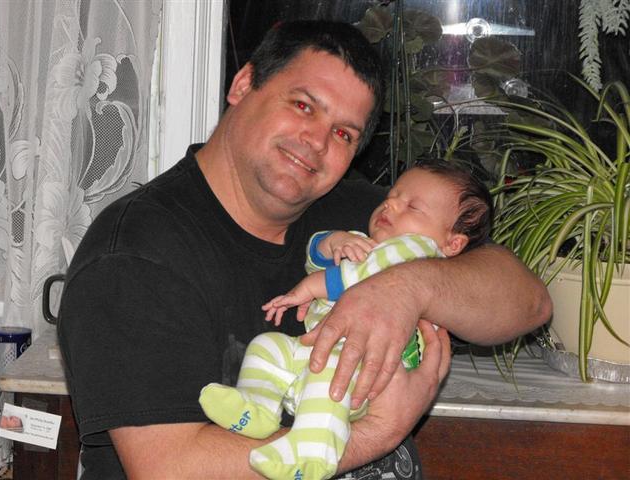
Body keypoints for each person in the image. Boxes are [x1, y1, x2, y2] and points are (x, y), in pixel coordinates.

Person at [57, 20, 551, 479]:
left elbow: (528, 302)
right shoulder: (135, 253)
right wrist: (375, 432)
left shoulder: (361, 215)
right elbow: (170, 468)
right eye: (303, 106)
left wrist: (409, 287)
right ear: (243, 85)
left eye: (343, 133)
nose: (316, 141)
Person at [199, 163, 492, 480]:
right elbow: (315, 258)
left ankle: (313, 452)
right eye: (392, 196)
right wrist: (333, 242)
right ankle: (257, 406)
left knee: (331, 373)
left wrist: (311, 287)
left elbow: (360, 275)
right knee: (268, 346)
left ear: (453, 243)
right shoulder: (368, 243)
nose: (390, 205)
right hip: (320, 349)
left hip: (369, 366)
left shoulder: (420, 252)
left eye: (412, 207)